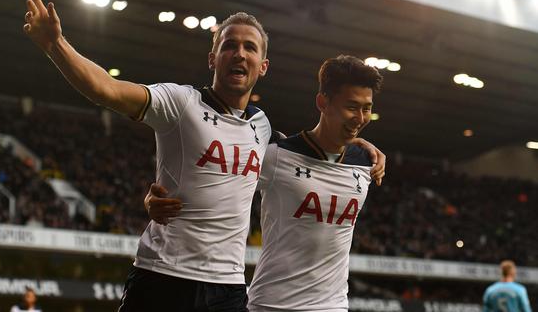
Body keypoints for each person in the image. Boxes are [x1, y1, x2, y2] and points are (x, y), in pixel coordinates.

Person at [23, 0, 384, 311]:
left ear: (264, 66)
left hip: (227, 289)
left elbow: (311, 148)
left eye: (249, 47)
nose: (239, 54)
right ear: (213, 58)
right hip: (164, 275)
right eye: (229, 45)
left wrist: (359, 142)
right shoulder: (180, 103)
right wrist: (56, 45)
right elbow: (107, 89)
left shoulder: (262, 127)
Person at [147, 56, 384, 311]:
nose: (360, 117)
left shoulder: (365, 162)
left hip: (333, 305)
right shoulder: (275, 155)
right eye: (352, 106)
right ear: (322, 102)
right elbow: (213, 181)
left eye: (367, 108)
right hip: (272, 305)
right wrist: (153, 200)